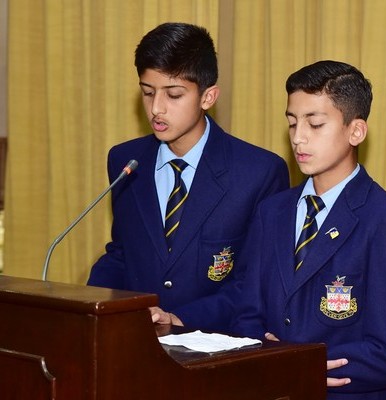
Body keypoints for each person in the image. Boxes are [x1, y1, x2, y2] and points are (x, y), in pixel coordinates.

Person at [231, 60, 386, 399]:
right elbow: (247, 314)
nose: (298, 137)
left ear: (356, 131)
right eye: (292, 123)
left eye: (315, 124)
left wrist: (300, 363)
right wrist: (265, 354)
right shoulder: (271, 212)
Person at [87, 22, 289, 332]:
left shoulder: (259, 172)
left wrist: (180, 319)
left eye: (174, 95)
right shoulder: (126, 160)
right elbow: (123, 254)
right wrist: (90, 305)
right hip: (135, 338)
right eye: (148, 92)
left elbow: (255, 281)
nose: (156, 108)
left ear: (208, 97)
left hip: (215, 344)